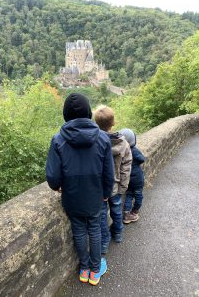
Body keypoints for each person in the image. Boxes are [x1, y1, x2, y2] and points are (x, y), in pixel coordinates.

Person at [46, 93, 114, 285]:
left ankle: (83, 269)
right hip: (95, 196)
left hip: (72, 197)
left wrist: (58, 186)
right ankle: (94, 271)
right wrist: (106, 193)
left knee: (78, 230)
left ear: (65, 114)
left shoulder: (58, 139)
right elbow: (109, 173)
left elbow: (52, 176)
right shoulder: (102, 138)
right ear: (88, 112)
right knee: (94, 229)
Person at [94, 105, 132, 254]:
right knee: (116, 211)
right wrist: (123, 185)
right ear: (113, 123)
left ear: (95, 123)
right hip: (116, 186)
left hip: (101, 188)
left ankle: (104, 244)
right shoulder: (123, 143)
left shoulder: (94, 143)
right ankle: (118, 234)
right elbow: (126, 167)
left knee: (102, 216)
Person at [119, 128, 145, 224]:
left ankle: (126, 215)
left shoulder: (121, 151)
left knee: (129, 194)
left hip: (127, 178)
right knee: (138, 195)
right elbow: (142, 159)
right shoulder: (134, 150)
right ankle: (135, 211)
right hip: (137, 179)